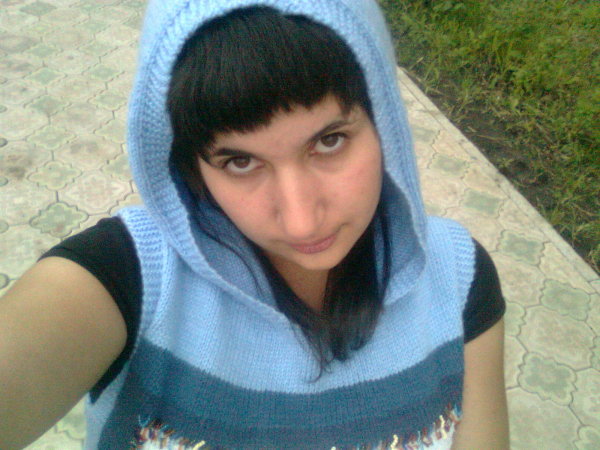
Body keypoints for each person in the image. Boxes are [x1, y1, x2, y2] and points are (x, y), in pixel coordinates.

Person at [0, 0, 509, 448]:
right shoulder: (129, 279)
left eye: (329, 141)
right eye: (240, 162)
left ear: (385, 124)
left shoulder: (458, 279)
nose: (301, 220)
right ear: (192, 169)